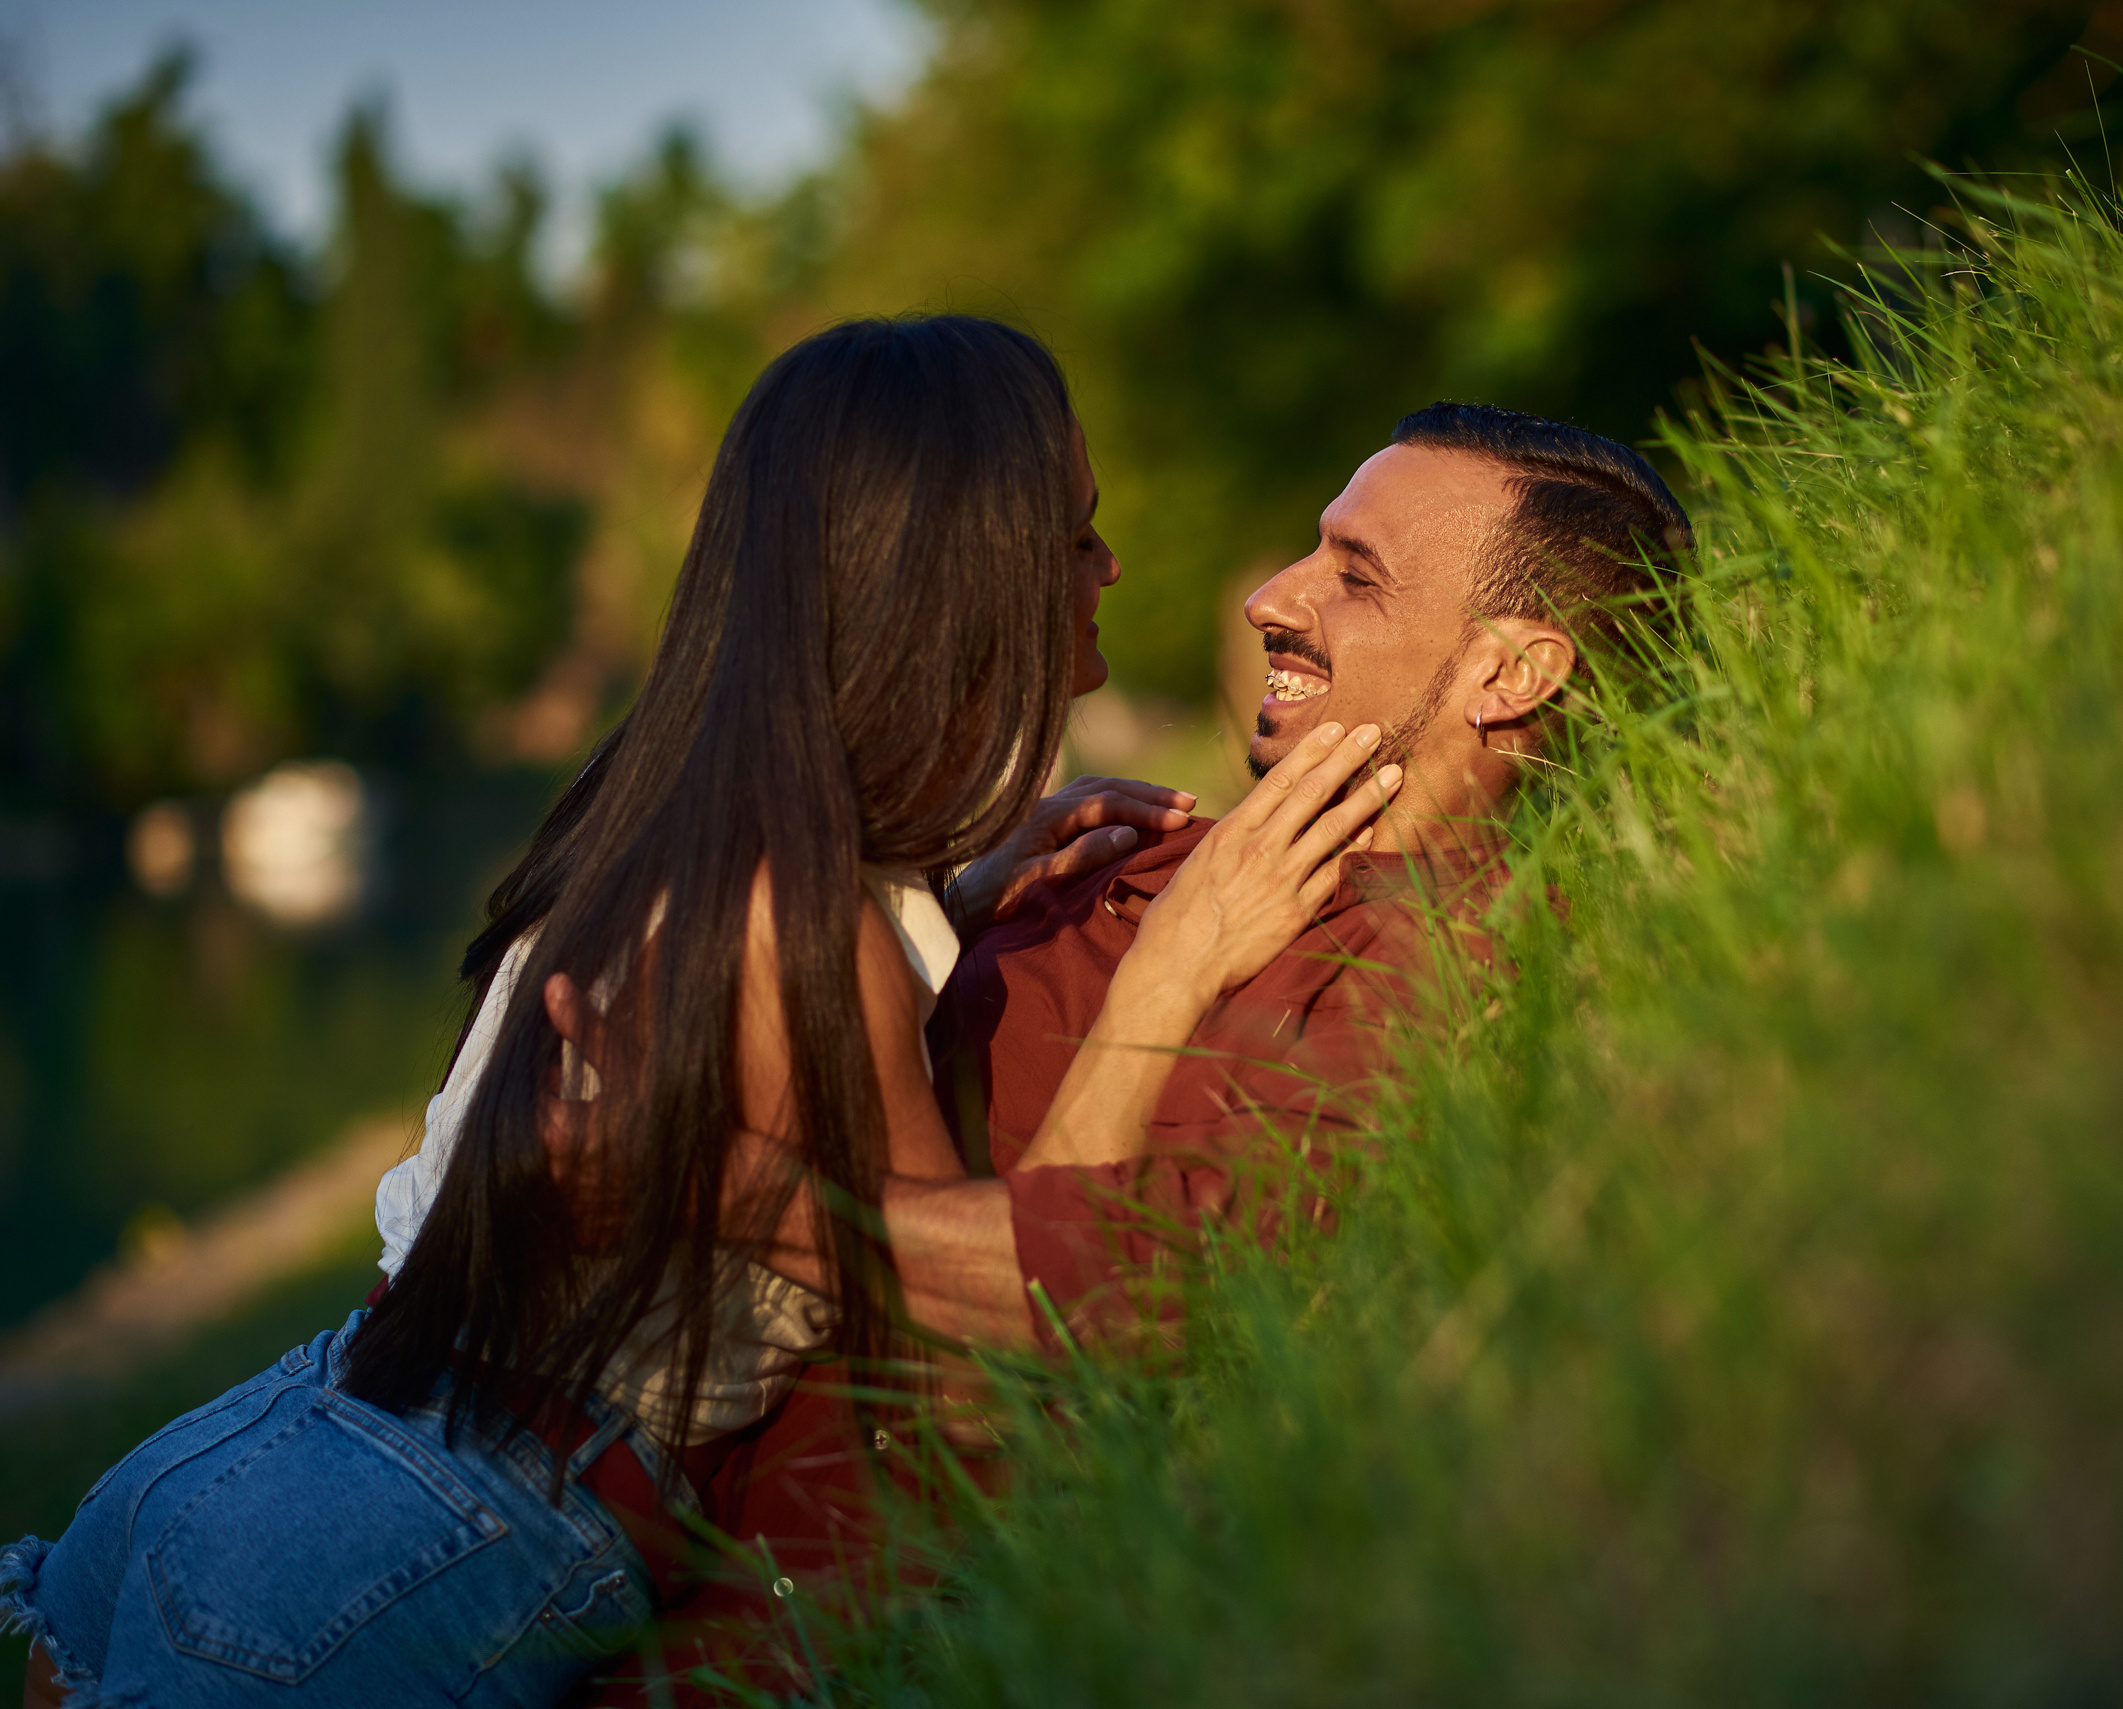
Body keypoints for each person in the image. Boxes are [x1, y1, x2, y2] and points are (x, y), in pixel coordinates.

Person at [2, 314, 1401, 1709]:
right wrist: (1173, 965)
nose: (1107, 569)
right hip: (446, 1522)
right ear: (963, 582)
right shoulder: (804, 924)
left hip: (279, 1430)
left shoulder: (661, 821)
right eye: (1074, 536)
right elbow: (965, 1376)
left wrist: (958, 892)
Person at [593, 404, 1691, 1697]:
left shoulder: (1443, 983)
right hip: (586, 1521)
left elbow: (1091, 1308)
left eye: (1355, 575)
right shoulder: (1142, 846)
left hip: (792, 1643)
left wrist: (707, 1180)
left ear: (1511, 673)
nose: (1271, 602)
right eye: (1311, 552)